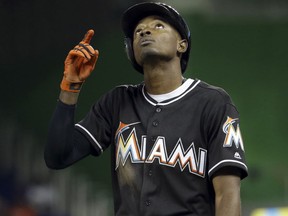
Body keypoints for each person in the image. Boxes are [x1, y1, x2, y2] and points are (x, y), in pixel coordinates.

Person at [45, 2, 248, 215]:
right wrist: (70, 87)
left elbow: (227, 193)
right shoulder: (117, 102)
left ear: (182, 44)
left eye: (158, 26)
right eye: (138, 32)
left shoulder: (212, 103)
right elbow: (57, 157)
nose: (145, 31)